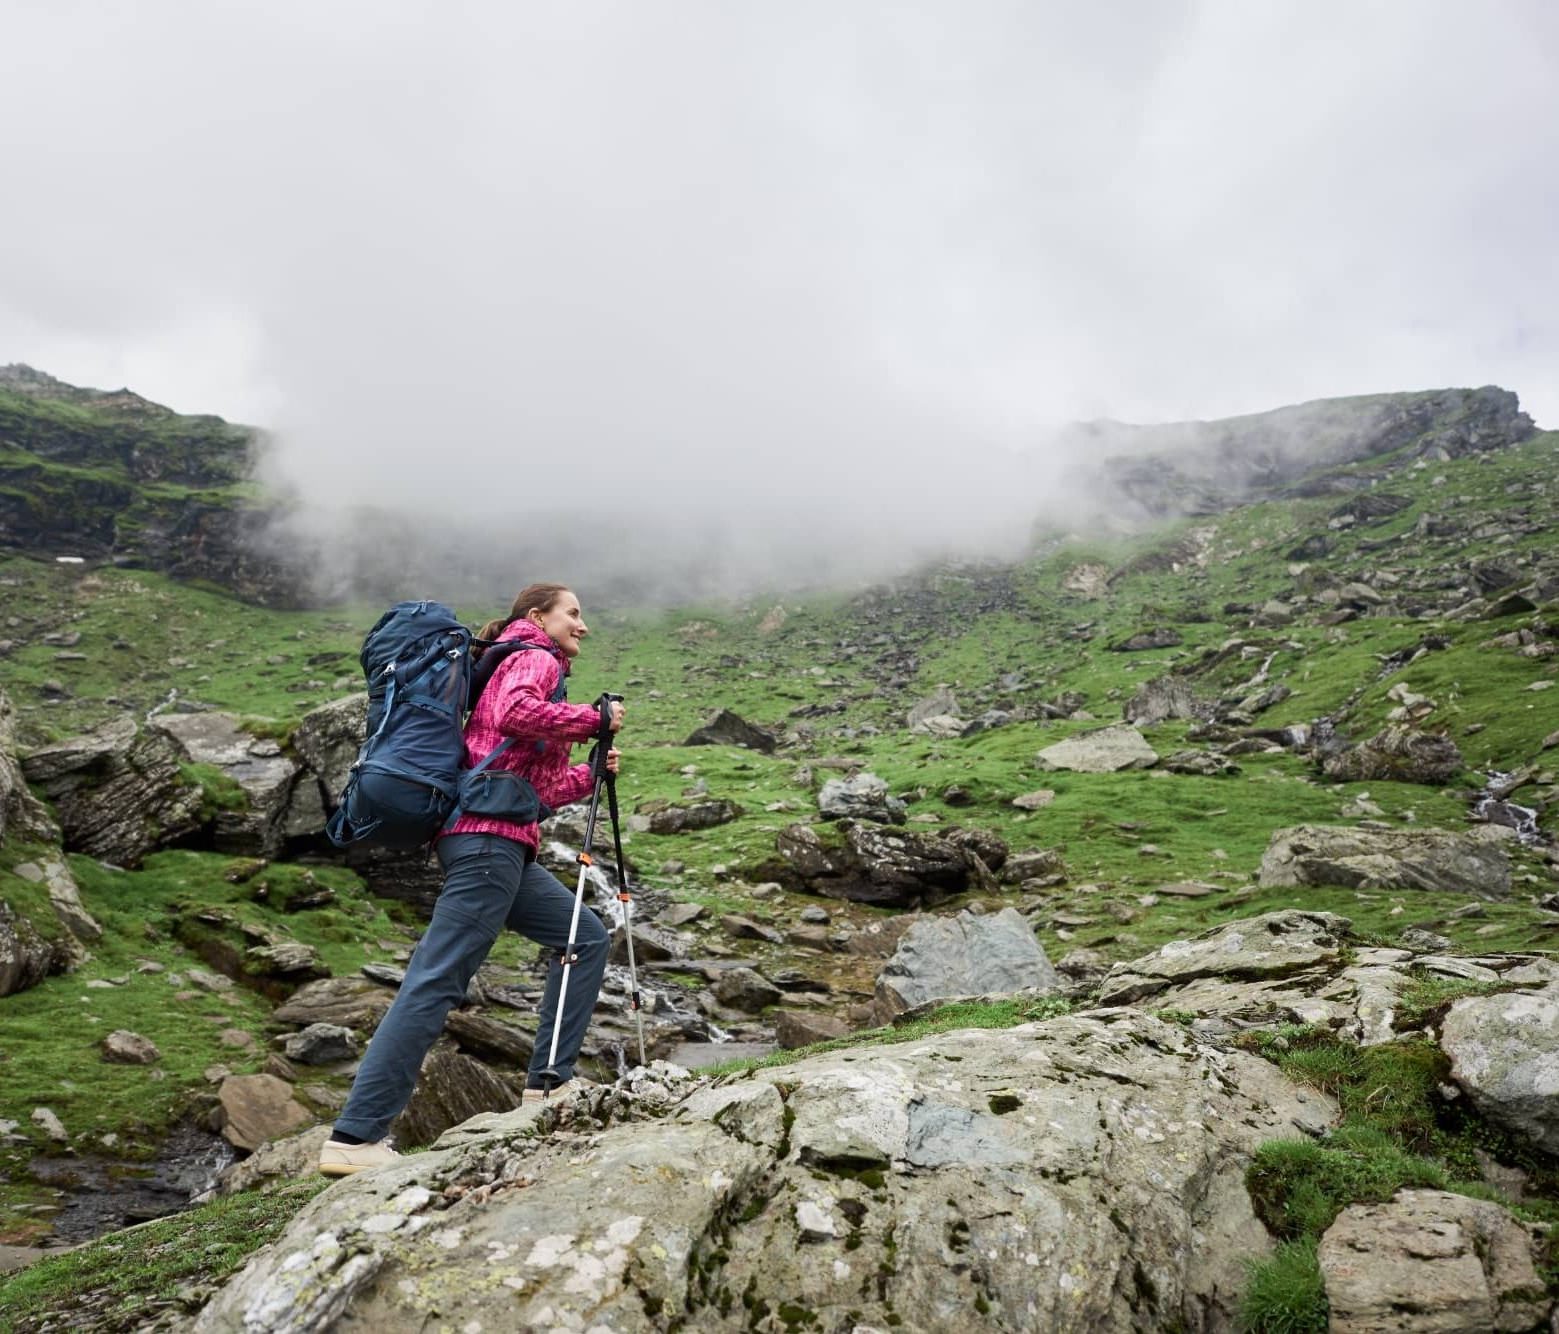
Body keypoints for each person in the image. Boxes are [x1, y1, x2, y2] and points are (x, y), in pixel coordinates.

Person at [319, 582, 624, 1177]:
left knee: (585, 938)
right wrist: (594, 719)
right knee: (436, 981)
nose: (582, 625)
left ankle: (548, 1086)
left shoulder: (520, 668)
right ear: (537, 616)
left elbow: (534, 789)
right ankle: (355, 1137)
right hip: (486, 845)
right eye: (574, 613)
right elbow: (516, 713)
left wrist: (589, 776)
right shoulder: (531, 655)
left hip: (501, 844)